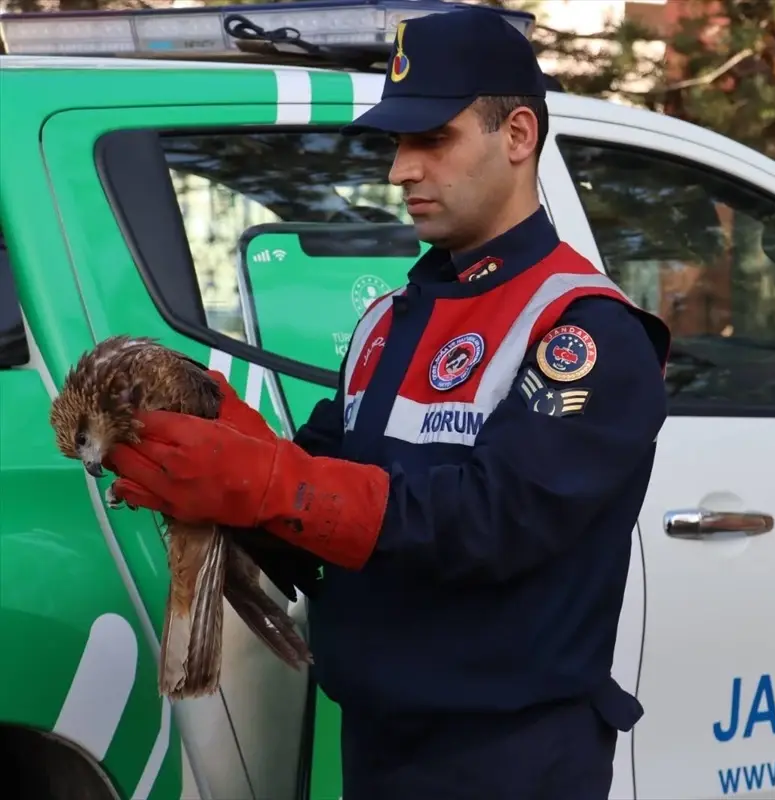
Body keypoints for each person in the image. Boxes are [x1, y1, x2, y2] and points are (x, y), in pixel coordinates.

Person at [106, 6, 671, 799]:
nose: (401, 169)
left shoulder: (582, 328)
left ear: (516, 135)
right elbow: (322, 517)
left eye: (432, 138)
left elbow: (493, 520)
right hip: (380, 741)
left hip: (510, 754)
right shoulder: (388, 321)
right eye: (398, 143)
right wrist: (222, 473)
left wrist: (277, 483)